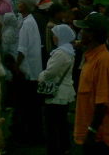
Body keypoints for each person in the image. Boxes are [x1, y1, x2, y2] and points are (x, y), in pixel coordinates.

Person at [73, 13, 109, 155]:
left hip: (100, 139)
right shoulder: (91, 57)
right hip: (92, 134)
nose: (81, 33)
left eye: (84, 30)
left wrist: (91, 132)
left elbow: (102, 103)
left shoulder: (104, 61)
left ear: (92, 35)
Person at [38, 24, 76, 155]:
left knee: (52, 126)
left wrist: (41, 76)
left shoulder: (60, 53)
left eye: (55, 35)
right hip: (65, 92)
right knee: (61, 124)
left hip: (57, 94)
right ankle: (64, 147)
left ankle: (55, 149)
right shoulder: (69, 51)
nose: (53, 37)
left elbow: (50, 73)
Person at [14, 0, 43, 142]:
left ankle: (31, 135)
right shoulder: (28, 21)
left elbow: (22, 49)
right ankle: (34, 133)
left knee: (29, 106)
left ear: (25, 6)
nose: (18, 4)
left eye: (20, 3)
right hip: (33, 70)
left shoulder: (27, 23)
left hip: (28, 71)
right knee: (33, 106)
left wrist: (16, 66)